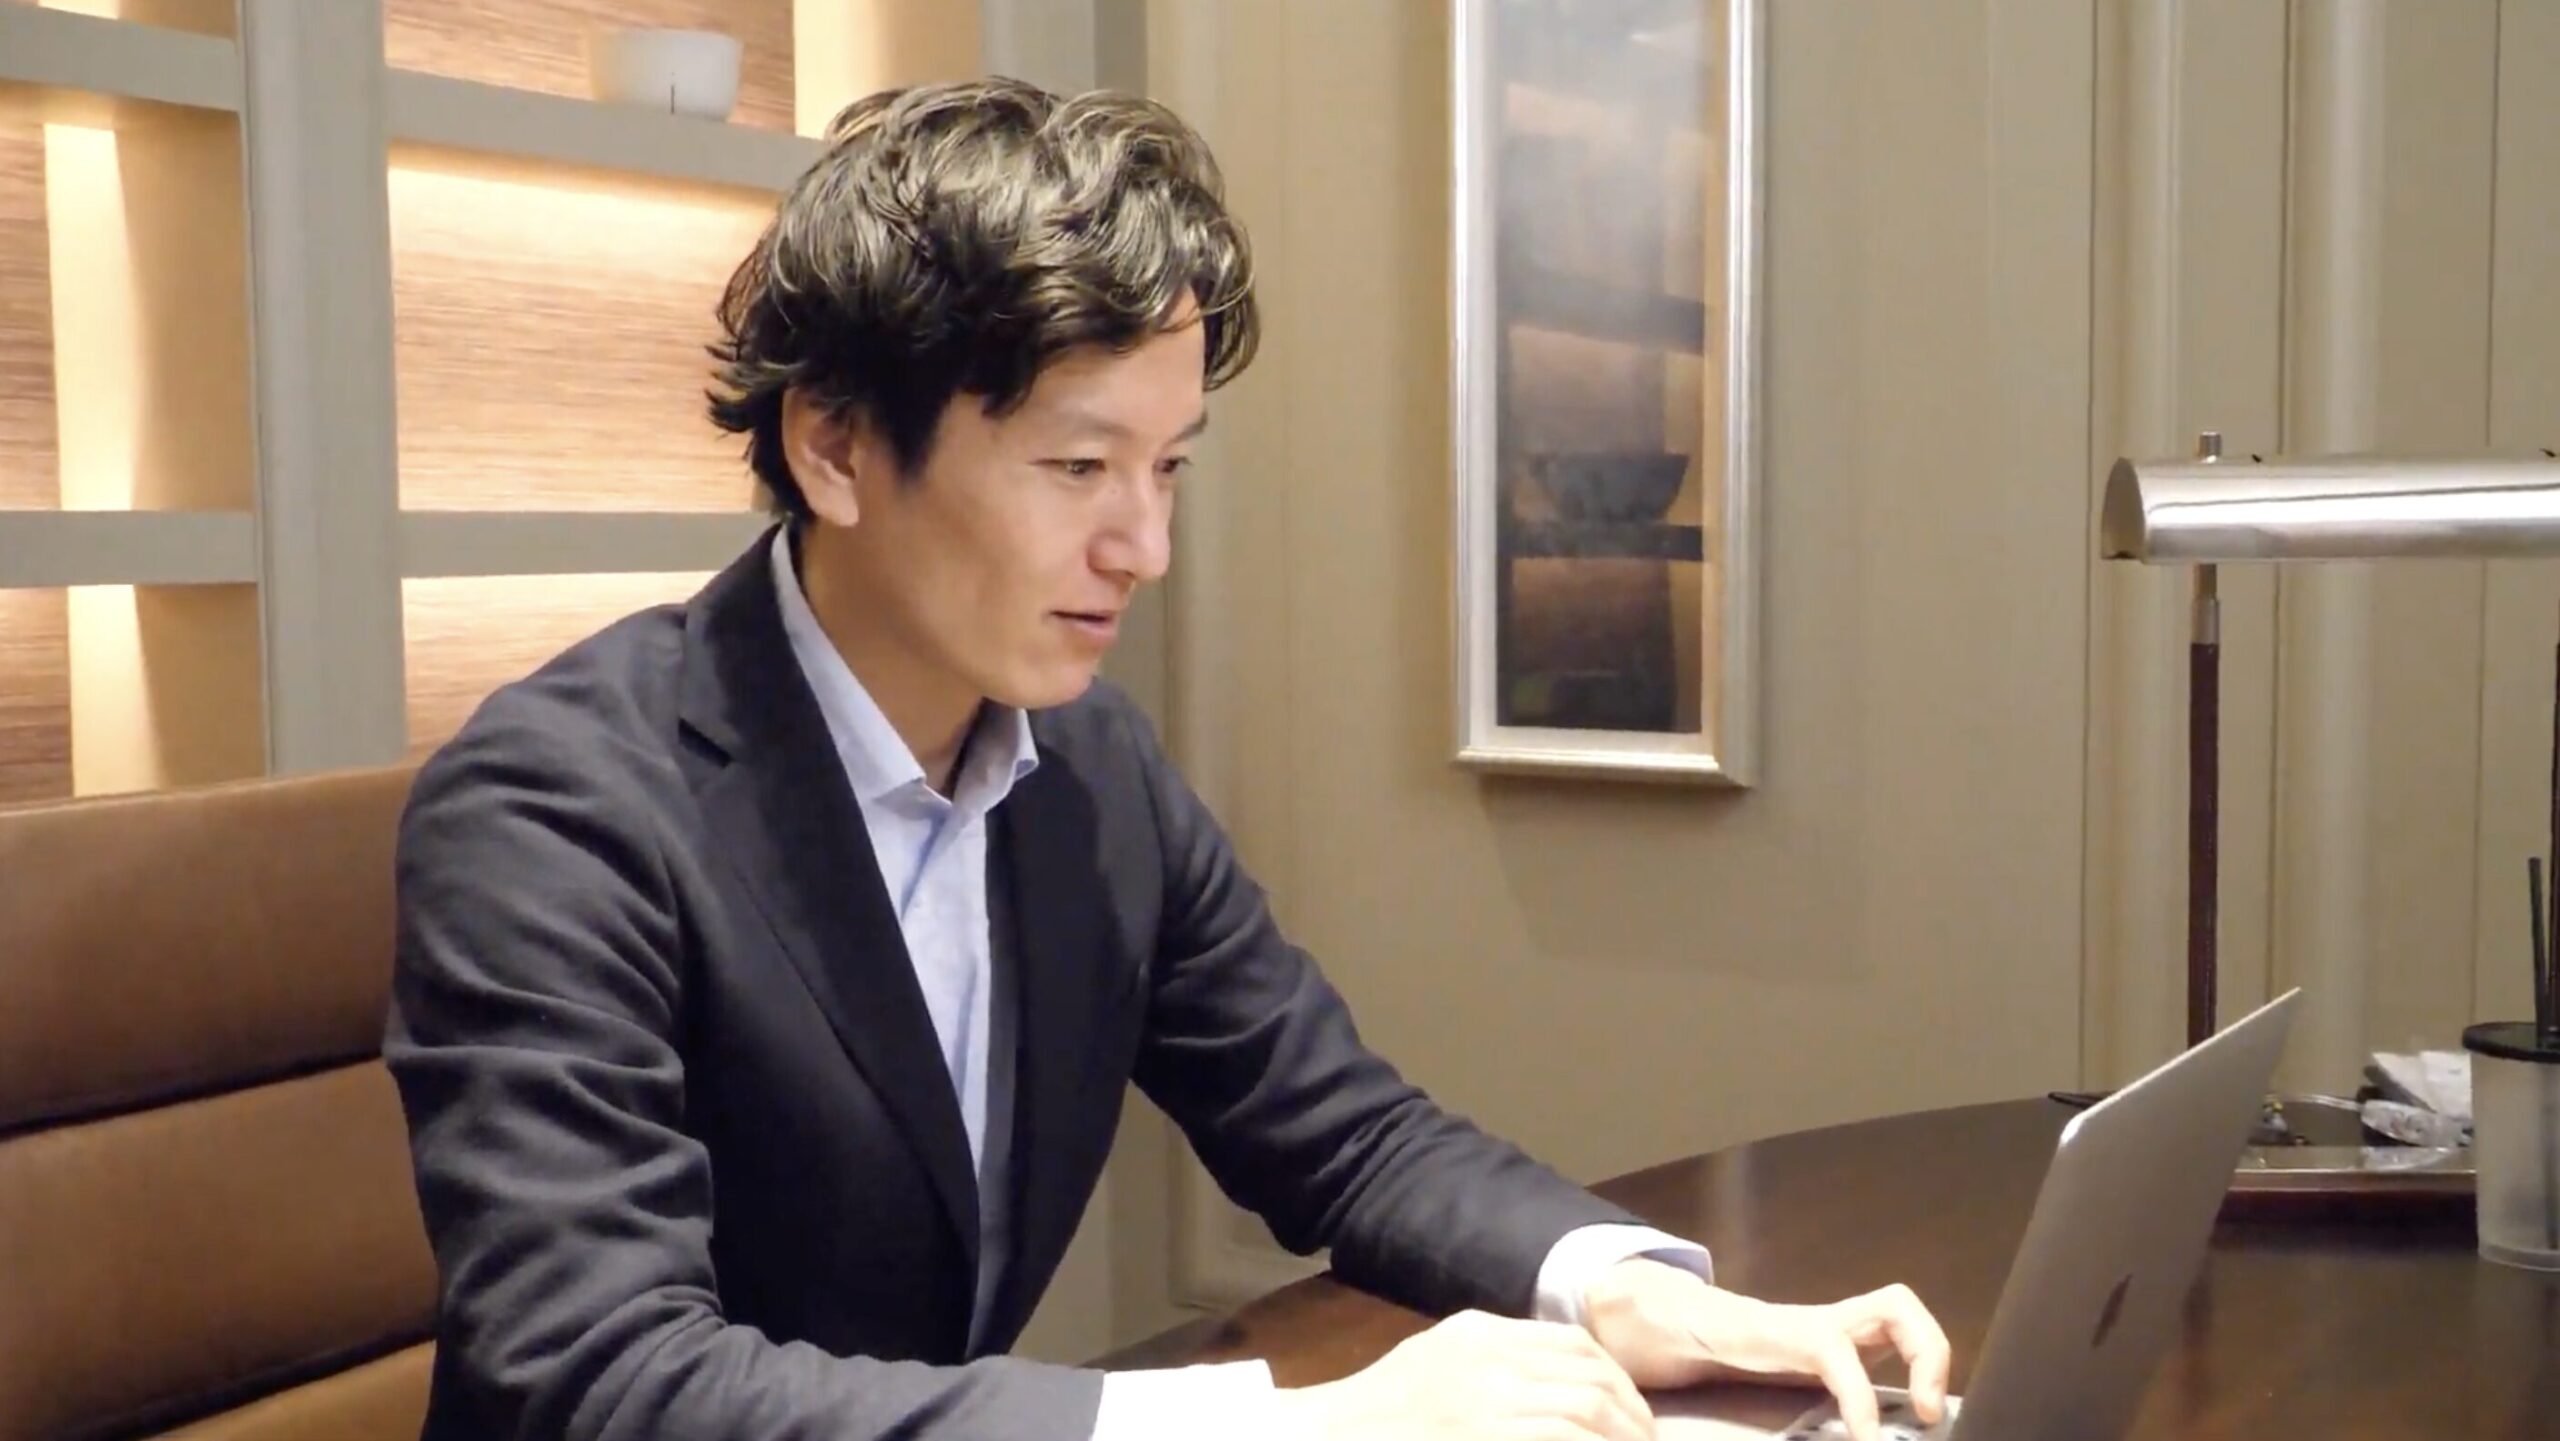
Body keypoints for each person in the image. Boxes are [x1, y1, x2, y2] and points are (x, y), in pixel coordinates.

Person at [384, 77, 1950, 1441]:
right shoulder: (556, 810)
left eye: (1170, 467)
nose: (1143, 546)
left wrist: (1623, 1287)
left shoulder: (1086, 764)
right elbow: (605, 1380)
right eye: (1080, 466)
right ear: (837, 445)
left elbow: (1340, 1130)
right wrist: (1291, 1423)